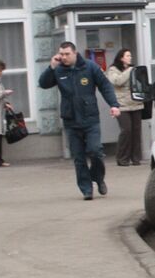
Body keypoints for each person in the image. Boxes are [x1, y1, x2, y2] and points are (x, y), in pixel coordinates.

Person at [38, 42, 120, 201]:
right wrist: (51, 67)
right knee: (79, 158)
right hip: (71, 120)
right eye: (61, 54)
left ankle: (98, 177)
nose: (64, 57)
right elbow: (43, 84)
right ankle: (86, 189)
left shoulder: (89, 67)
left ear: (75, 53)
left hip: (90, 118)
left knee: (96, 151)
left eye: (67, 54)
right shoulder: (59, 69)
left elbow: (105, 86)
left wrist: (114, 105)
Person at [106, 48, 143, 167]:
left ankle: (135, 158)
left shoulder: (134, 69)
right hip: (122, 105)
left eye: (130, 56)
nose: (130, 58)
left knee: (136, 131)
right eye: (127, 56)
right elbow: (117, 81)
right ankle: (122, 158)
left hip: (136, 104)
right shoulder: (113, 70)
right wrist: (130, 70)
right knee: (126, 130)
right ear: (121, 58)